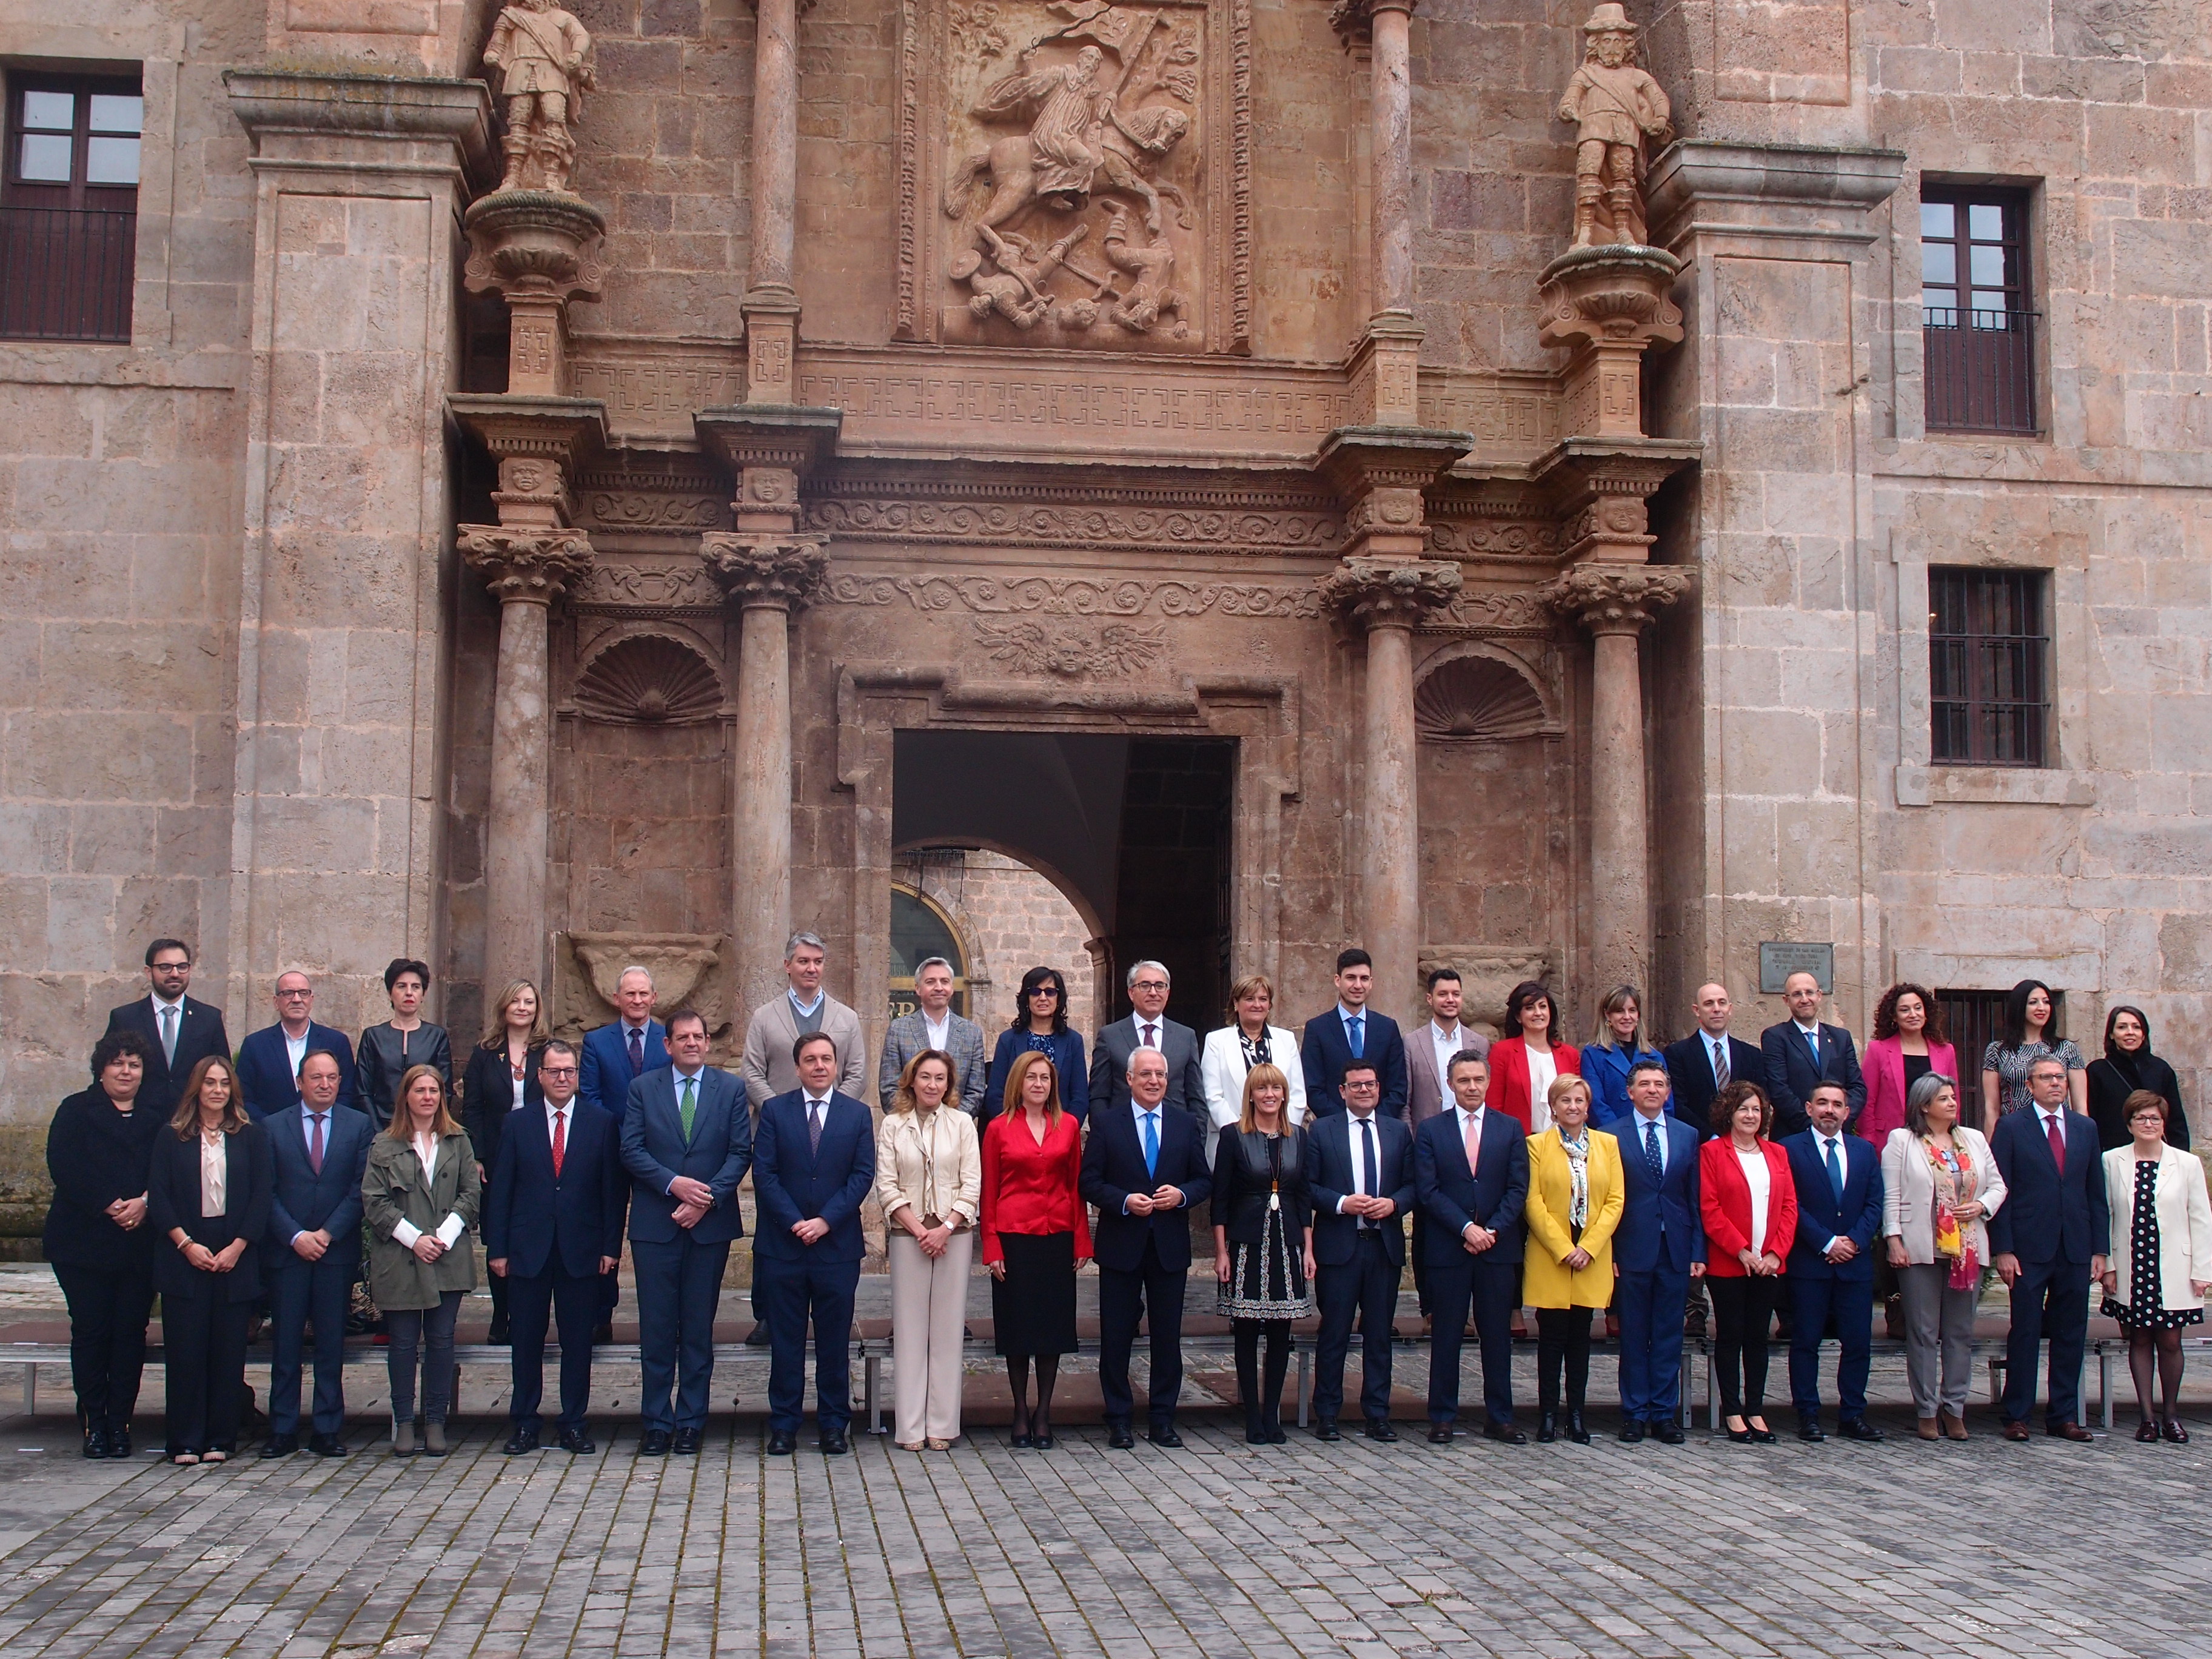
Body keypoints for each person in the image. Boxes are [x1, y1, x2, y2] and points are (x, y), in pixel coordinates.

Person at [620, 1008, 752, 1455]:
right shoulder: (643, 1089)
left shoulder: (731, 1089)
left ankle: (692, 1421)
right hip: (656, 1226)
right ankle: (657, 1422)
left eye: (698, 1036)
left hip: (708, 1228)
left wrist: (706, 1200)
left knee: (697, 1329)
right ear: (668, 1045)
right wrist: (673, 1184)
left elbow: (740, 1152)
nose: (691, 1043)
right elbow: (631, 1149)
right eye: (683, 1037)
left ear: (708, 1042)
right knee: (657, 1329)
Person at [486, 1040, 626, 1455]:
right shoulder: (518, 1124)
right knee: (526, 1341)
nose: (562, 1078)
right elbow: (502, 1190)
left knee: (577, 1344)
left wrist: (610, 1247)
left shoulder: (601, 1123)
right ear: (540, 1076)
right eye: (554, 1071)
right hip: (527, 1250)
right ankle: (525, 1423)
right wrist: (498, 1248)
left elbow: (612, 1192)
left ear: (577, 1076)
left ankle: (573, 1423)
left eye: (569, 1071)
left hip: (582, 1250)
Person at [752, 1031, 876, 1456]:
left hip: (836, 1248)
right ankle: (784, 1425)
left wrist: (825, 1221)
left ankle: (833, 1425)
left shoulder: (857, 1115)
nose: (820, 1066)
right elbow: (764, 1173)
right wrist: (794, 1222)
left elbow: (862, 1175)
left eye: (826, 1059)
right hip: (783, 1247)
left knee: (833, 1343)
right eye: (810, 1060)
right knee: (785, 1343)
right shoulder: (775, 1111)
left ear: (837, 1065)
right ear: (797, 1067)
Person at [1082, 1047, 1211, 1448]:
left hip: (1169, 1246)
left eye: (1160, 1074)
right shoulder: (1107, 1123)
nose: (1154, 1081)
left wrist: (1182, 1196)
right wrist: (1123, 1201)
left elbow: (1203, 1180)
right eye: (1146, 1074)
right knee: (1116, 1336)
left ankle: (1162, 1418)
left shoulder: (1184, 1123)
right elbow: (1089, 1182)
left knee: (1167, 1338)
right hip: (1122, 1244)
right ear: (1130, 1079)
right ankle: (1119, 1418)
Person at [43, 1028, 163, 1459]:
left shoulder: (158, 1115)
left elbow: (168, 1167)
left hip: (139, 1243)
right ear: (101, 1069)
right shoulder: (75, 1110)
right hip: (83, 1244)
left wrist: (145, 1202)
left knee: (130, 1334)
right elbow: (64, 1164)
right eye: (118, 1063)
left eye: (134, 1064)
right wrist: (109, 1204)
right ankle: (94, 1421)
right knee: (92, 1331)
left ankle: (120, 1422)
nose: (126, 1071)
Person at [147, 1056, 271, 1466]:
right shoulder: (171, 1136)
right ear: (196, 1088)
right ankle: (185, 1439)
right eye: (210, 1083)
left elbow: (261, 1195)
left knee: (226, 1353)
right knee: (187, 1352)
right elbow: (159, 1195)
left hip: (235, 1252)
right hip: (185, 1251)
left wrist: (238, 1246)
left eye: (224, 1083)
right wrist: (185, 1245)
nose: (217, 1090)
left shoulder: (250, 1136)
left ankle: (220, 1437)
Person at [362, 1065, 481, 1457]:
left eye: (434, 1090)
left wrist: (443, 1236)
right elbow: (374, 1200)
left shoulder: (458, 1140)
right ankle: (404, 1422)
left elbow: (470, 1194)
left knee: (441, 1341)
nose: (428, 1097)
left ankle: (435, 1421)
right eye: (420, 1090)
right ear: (406, 1097)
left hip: (447, 1255)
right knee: (403, 1342)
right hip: (402, 1257)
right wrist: (414, 1240)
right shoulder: (385, 1145)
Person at [1988, 1055, 2107, 1441]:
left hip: (2075, 1245)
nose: (2056, 1083)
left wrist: (2100, 1250)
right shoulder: (2011, 1127)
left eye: (2060, 1077)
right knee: (2025, 1330)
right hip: (2028, 1248)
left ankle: (2063, 1416)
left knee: (2071, 1332)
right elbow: (2000, 1190)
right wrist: (2003, 1248)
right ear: (2030, 1085)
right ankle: (2017, 1414)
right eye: (2047, 1078)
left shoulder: (2085, 1127)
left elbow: (2095, 1193)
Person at [260, 1049, 372, 1458]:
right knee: (286, 1345)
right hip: (288, 1252)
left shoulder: (358, 1125)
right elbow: (266, 1190)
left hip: (334, 1252)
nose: (325, 1085)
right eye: (316, 1078)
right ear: (299, 1083)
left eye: (332, 1077)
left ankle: (327, 1428)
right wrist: (295, 1236)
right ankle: (282, 1428)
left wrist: (326, 1234)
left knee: (330, 1346)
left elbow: (360, 1189)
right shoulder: (273, 1127)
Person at [1413, 1051, 1530, 1444]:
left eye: (1478, 1079)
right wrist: (1466, 1229)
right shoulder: (1431, 1130)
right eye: (1464, 1081)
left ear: (1488, 1082)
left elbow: (1518, 1188)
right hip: (1450, 1248)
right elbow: (1428, 1190)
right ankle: (1442, 1417)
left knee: (1497, 1337)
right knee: (1446, 1336)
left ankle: (1500, 1417)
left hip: (1497, 1250)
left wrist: (1490, 1230)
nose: (1472, 1087)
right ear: (1450, 1084)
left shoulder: (1510, 1128)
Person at [1882, 1071, 2004, 1441]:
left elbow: (1998, 1185)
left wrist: (1982, 1205)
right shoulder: (1902, 1140)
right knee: (1923, 1331)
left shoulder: (1974, 1139)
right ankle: (1926, 1410)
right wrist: (1893, 1239)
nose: (1953, 1103)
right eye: (1944, 1098)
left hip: (1967, 1247)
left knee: (1960, 1332)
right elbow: (1891, 1194)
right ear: (1924, 1105)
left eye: (1953, 1097)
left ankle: (1955, 1408)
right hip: (1921, 1246)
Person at [980, 1050, 1091, 1449]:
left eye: (1045, 1078)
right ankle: (1019, 1411)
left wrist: (1082, 1239)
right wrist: (991, 1245)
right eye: (1032, 1077)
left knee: (1050, 1329)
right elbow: (989, 1190)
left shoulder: (1069, 1125)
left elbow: (1076, 1186)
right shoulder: (998, 1129)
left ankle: (1043, 1412)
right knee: (1018, 1329)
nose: (1039, 1084)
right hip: (1014, 1237)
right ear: (1018, 1083)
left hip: (1057, 1235)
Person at [877, 1050, 982, 1450]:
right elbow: (886, 1184)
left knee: (947, 1332)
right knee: (910, 1332)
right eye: (925, 1077)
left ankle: (941, 1425)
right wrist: (921, 1230)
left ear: (949, 1084)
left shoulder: (962, 1124)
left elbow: (972, 1182)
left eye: (940, 1078)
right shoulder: (893, 1125)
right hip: (910, 1235)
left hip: (954, 1236)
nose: (932, 1085)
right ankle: (910, 1428)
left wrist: (947, 1227)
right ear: (912, 1080)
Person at [1305, 1057, 1414, 1442]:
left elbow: (1413, 1184)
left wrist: (1395, 1204)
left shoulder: (1398, 1131)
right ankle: (1327, 1413)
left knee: (1379, 1335)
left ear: (1379, 1088)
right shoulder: (1323, 1130)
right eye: (1356, 1085)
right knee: (1334, 1333)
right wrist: (1341, 1203)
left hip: (1383, 1247)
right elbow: (1308, 1187)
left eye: (1370, 1084)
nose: (1364, 1090)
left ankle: (1378, 1414)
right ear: (1343, 1091)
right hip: (1340, 1247)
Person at [1212, 1064, 1315, 1445]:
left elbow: (1304, 1196)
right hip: (1246, 1243)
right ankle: (1252, 1416)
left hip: (1286, 1243)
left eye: (1276, 1088)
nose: (1269, 1095)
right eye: (1261, 1089)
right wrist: (1220, 1252)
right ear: (1251, 1096)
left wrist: (1309, 1248)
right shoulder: (1233, 1136)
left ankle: (1272, 1414)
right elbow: (1220, 1199)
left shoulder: (1298, 1137)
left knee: (1279, 1331)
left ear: (1285, 1095)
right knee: (1246, 1331)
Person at [2101, 1091, 2211, 1444]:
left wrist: (2202, 1271)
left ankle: (2172, 1416)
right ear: (2129, 1124)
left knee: (2170, 1341)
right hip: (2131, 1263)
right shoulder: (2112, 1161)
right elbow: (2107, 1215)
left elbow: (2201, 1218)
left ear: (2164, 1124)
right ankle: (2147, 1418)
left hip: (2174, 1266)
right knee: (2139, 1338)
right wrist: (2108, 1265)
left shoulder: (2187, 1163)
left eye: (2155, 1119)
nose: (2148, 1124)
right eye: (2141, 1118)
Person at [1780, 1081, 1886, 1442]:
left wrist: (1854, 1241)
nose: (1830, 1110)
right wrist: (1826, 1242)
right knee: (1805, 1342)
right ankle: (1807, 1414)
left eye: (1837, 1104)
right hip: (1810, 1263)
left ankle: (1852, 1415)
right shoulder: (1789, 1149)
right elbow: (1790, 1203)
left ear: (1847, 1112)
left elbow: (1875, 1202)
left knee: (1857, 1344)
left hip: (1854, 1265)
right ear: (1809, 1109)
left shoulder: (1864, 1151)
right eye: (1822, 1103)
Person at [1521, 1074, 1623, 1444]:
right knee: (1550, 1340)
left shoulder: (1607, 1144)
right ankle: (1548, 1415)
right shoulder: (1536, 1145)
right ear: (1553, 1106)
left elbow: (1615, 1201)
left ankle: (1576, 1416)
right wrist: (1563, 1248)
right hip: (1553, 1254)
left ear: (1588, 1106)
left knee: (1580, 1339)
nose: (1573, 1107)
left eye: (1579, 1100)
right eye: (1565, 1100)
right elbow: (1533, 1202)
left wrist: (1589, 1247)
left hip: (1591, 1254)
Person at [1699, 1080, 1797, 1444]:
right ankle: (1733, 1411)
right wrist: (1741, 1251)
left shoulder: (1778, 1153)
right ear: (1729, 1113)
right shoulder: (1712, 1152)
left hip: (1769, 1264)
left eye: (1757, 1109)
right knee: (1730, 1335)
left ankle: (1755, 1409)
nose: (1751, 1115)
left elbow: (1790, 1207)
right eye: (1744, 1108)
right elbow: (1710, 1208)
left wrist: (1775, 1253)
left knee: (1758, 1337)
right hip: (1729, 1263)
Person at [1613, 1058, 1701, 1444]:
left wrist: (1698, 1250)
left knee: (1668, 1334)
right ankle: (1635, 1413)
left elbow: (1693, 1198)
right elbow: (1607, 1199)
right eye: (1645, 1084)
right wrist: (1610, 1253)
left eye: (1659, 1084)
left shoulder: (1687, 1135)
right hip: (1631, 1246)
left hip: (1675, 1247)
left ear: (1668, 1092)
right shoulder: (1611, 1135)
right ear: (1630, 1092)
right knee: (1633, 1334)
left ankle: (1664, 1413)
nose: (1652, 1090)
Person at [460, 977, 550, 1343]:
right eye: (515, 1001)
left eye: (529, 1002)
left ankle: (528, 1315)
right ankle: (501, 1315)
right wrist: (477, 1155)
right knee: (499, 1232)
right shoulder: (485, 1053)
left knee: (533, 1231)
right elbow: (472, 1107)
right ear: (504, 1007)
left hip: (540, 1155)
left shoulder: (547, 1051)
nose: (522, 1008)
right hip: (497, 1156)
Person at [102, 938, 230, 1119]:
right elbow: (106, 1071)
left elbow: (224, 1071)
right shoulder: (125, 1018)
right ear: (149, 972)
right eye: (165, 967)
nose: (175, 974)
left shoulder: (209, 1018)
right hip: (140, 1121)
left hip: (192, 1121)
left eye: (182, 967)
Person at [742, 931, 869, 1110]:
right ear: (788, 965)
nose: (812, 969)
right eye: (804, 961)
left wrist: (832, 1113)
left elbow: (857, 1075)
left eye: (818, 962)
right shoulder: (763, 1017)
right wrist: (778, 1113)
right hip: (778, 1124)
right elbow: (752, 1075)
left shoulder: (847, 1018)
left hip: (834, 1123)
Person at [1199, 973, 1309, 1164]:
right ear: (1236, 1003)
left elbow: (1297, 1094)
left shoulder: (1286, 1040)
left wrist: (1282, 1132)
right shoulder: (1216, 1041)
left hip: (1281, 1145)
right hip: (1232, 1145)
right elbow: (1213, 1097)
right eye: (1249, 999)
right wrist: (1241, 1136)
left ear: (1270, 1005)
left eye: (1263, 999)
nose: (1257, 1005)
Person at [1091, 959, 1206, 1128]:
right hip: (1124, 1133)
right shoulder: (1110, 1037)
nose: (1153, 992)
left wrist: (1197, 1138)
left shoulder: (1185, 1037)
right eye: (1145, 986)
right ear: (1131, 992)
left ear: (1168, 992)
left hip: (1174, 1134)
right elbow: (1099, 1096)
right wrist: (1104, 1135)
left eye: (1160, 986)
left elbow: (1196, 1097)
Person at [1299, 948, 1408, 1120]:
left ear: (1371, 982)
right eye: (1351, 978)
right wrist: (1345, 1123)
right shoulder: (1317, 1029)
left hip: (1380, 1127)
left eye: (1364, 979)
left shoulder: (1388, 1028)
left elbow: (1398, 1088)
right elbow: (1313, 1089)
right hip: (1334, 1127)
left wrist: (1375, 1121)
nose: (1358, 985)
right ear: (1338, 980)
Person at [236, 971, 359, 1119]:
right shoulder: (255, 1045)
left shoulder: (336, 1042)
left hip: (325, 1129)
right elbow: (244, 1098)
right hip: (268, 1131)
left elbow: (347, 1093)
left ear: (311, 1000)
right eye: (288, 993)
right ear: (276, 1002)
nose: (296, 999)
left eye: (303, 993)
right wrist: (270, 1127)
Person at [1758, 971, 1865, 1139]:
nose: (1804, 999)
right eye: (1797, 994)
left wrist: (1838, 1121)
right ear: (1786, 1000)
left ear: (1819, 995)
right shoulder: (1775, 1037)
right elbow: (1778, 1090)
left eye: (1809, 992)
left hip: (1837, 1134)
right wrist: (1813, 1128)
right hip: (1794, 1135)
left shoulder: (1841, 1037)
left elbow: (1857, 1087)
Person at [877, 957, 988, 1117]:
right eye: (930, 982)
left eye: (945, 982)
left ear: (952, 987)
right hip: (909, 1125)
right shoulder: (899, 1030)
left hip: (955, 1128)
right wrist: (916, 1121)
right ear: (918, 988)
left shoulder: (971, 1033)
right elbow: (889, 1087)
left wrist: (951, 1122)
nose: (939, 988)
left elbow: (976, 1092)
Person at [984, 966, 1090, 1126]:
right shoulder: (1008, 1040)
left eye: (1050, 992)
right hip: (1015, 1131)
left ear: (1059, 998)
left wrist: (1064, 1131)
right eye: (1035, 992)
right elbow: (995, 1095)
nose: (1043, 998)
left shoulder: (1073, 1041)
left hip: (1060, 1131)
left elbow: (1080, 1098)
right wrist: (1013, 1130)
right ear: (1026, 998)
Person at [354, 957, 452, 1130]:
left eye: (416, 987)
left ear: (423, 994)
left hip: (425, 1128)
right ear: (390, 993)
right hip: (381, 1126)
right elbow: (363, 1090)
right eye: (401, 986)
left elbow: (445, 1089)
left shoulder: (436, 1036)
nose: (409, 993)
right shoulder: (373, 1036)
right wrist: (378, 1132)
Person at [1860, 982, 1956, 1148]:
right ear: (1894, 1017)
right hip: (1890, 1139)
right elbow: (1867, 1101)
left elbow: (1953, 1098)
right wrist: (1869, 1141)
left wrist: (1951, 1135)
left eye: (1918, 1008)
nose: (1913, 1014)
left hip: (1935, 1138)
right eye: (1905, 1010)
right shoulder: (1878, 1050)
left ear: (1926, 1013)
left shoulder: (1946, 1051)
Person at [1980, 977, 2086, 1123]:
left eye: (2046, 1002)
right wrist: (1993, 1138)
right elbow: (1992, 1108)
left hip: (2056, 1129)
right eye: (2033, 1002)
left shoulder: (2067, 1049)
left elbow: (2080, 1106)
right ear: (2020, 1006)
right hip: (2014, 1130)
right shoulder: (1997, 1051)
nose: (2041, 1008)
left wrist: (2080, 1135)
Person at [2087, 1005, 2191, 1153]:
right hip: (2113, 1154)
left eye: (2136, 1027)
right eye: (2122, 1027)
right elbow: (2092, 1119)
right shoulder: (2097, 1071)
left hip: (2156, 1153)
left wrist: (2180, 1156)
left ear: (2143, 1034)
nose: (2130, 1032)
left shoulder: (2160, 1069)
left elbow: (2176, 1120)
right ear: (2111, 1034)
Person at [1662, 982, 1754, 1145]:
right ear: (1696, 1010)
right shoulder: (1677, 1054)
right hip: (1698, 1144)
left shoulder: (1751, 1054)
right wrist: (1711, 1138)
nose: (1716, 1009)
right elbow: (1678, 1103)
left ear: (1730, 1009)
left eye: (1722, 1003)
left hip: (1743, 1144)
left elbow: (1759, 1100)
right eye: (1709, 1003)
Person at [1486, 980, 1580, 1136]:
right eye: (1530, 1008)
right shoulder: (1502, 1052)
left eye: (1542, 1006)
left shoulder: (1570, 1054)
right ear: (1518, 1017)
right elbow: (1493, 1107)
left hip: (1563, 1140)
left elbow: (1578, 1101)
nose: (1538, 1013)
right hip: (1518, 1141)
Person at [1406, 968, 1490, 1131]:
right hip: (1426, 1134)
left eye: (1456, 994)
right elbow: (1405, 1102)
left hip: (1470, 1132)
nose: (1450, 1000)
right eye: (1443, 994)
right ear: (1430, 999)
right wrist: (1410, 1139)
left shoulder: (1479, 1043)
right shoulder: (1412, 1043)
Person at [580, 965, 667, 1121]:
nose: (637, 1000)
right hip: (611, 1131)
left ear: (653, 998)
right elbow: (590, 1095)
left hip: (660, 1132)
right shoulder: (595, 1042)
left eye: (644, 994)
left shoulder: (670, 1039)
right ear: (617, 998)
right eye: (630, 994)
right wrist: (614, 1129)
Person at [1580, 985, 1665, 1128]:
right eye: (1619, 1011)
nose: (1627, 1017)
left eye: (1632, 1010)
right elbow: (1596, 1105)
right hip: (1611, 1134)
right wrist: (1620, 1134)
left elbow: (1666, 1104)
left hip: (1649, 1134)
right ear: (1608, 1015)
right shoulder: (1593, 1054)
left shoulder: (1655, 1056)